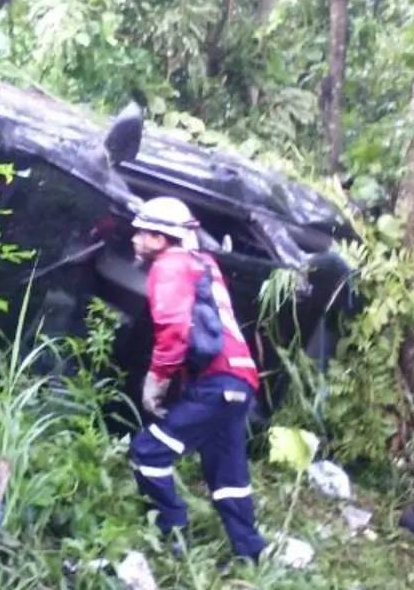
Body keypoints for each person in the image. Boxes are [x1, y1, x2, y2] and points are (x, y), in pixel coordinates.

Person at [126, 196, 268, 565]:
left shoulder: (169, 266)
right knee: (228, 473)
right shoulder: (205, 263)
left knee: (148, 452)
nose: (134, 238)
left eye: (141, 232)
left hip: (216, 384)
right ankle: (249, 553)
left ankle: (173, 533)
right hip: (240, 381)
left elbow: (173, 330)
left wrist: (155, 383)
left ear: (160, 239)